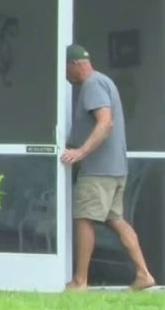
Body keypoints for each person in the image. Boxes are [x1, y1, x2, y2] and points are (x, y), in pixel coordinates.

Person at [61, 44, 155, 291]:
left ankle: (80, 282)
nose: (66, 77)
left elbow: (105, 123)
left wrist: (80, 152)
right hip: (116, 168)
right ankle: (144, 274)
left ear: (74, 64)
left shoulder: (92, 85)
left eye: (66, 70)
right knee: (116, 220)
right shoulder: (105, 82)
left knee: (84, 219)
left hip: (98, 171)